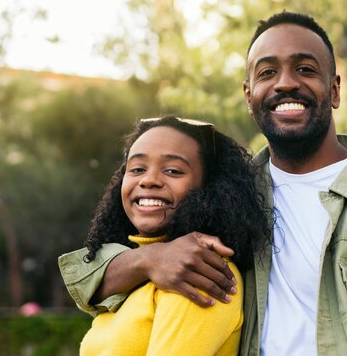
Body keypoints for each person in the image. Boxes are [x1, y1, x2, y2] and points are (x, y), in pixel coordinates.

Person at [58, 12, 347, 355]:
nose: (286, 83)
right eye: (268, 72)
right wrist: (150, 260)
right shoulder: (227, 197)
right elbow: (87, 274)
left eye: (305, 70)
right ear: (249, 93)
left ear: (334, 90)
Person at [59, 116, 270, 355]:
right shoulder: (140, 272)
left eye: (173, 170)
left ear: (211, 188)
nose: (148, 180)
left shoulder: (198, 272)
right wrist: (150, 258)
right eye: (137, 169)